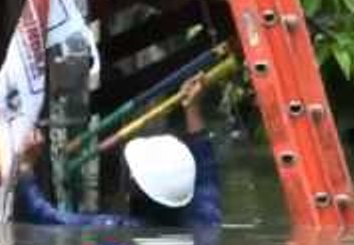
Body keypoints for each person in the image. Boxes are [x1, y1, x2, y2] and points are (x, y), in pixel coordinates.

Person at [13, 73, 221, 229]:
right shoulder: (205, 220)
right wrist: (192, 107)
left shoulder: (118, 229)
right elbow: (205, 167)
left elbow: (43, 216)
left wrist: (25, 166)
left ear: (133, 189)